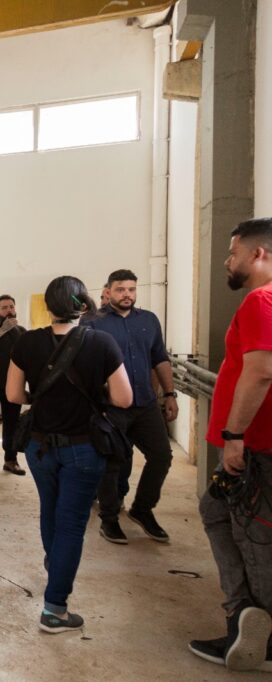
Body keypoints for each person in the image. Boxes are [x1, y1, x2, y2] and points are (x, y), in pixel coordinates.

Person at [7, 275, 132, 634]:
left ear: (48, 306)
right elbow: (124, 399)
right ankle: (54, 610)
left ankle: (55, 565)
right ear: (84, 304)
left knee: (51, 508)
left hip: (40, 446)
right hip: (83, 447)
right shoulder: (102, 342)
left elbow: (14, 396)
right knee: (73, 523)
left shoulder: (27, 342)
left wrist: (42, 398)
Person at [190, 218, 272, 672]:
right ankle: (243, 615)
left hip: (255, 445)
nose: (228, 260)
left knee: (255, 536)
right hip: (251, 443)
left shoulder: (261, 300)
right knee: (214, 510)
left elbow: (261, 371)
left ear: (258, 254)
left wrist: (235, 436)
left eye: (233, 251)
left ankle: (261, 637)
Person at [85, 269, 177, 544]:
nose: (127, 295)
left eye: (131, 289)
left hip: (146, 403)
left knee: (161, 456)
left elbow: (160, 358)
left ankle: (142, 509)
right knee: (112, 463)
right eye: (121, 290)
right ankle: (110, 519)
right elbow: (85, 366)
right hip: (111, 407)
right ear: (109, 291)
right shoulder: (92, 323)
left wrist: (170, 394)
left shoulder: (148, 320)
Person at [0, 295, 27, 475]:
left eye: (11, 306)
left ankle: (10, 460)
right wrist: (4, 328)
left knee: (12, 424)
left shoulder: (21, 331)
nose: (9, 310)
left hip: (13, 386)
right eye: (4, 308)